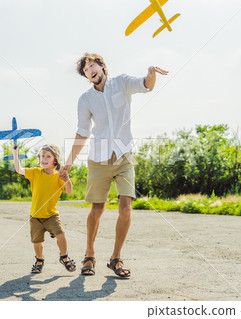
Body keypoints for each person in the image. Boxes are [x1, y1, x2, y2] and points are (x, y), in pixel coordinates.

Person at [61, 53, 168, 277]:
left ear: (101, 66)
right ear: (86, 76)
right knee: (97, 209)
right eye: (86, 69)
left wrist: (151, 73)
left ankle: (115, 258)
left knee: (126, 207)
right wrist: (68, 163)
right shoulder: (86, 100)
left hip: (124, 156)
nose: (90, 70)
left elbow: (145, 85)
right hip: (98, 159)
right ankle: (89, 255)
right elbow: (82, 132)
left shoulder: (121, 83)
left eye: (93, 65)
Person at [12, 143, 76, 273]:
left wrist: (67, 179)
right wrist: (15, 153)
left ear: (55, 161)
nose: (44, 159)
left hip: (51, 215)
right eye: (42, 156)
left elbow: (68, 191)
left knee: (61, 235)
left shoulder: (58, 176)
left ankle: (64, 256)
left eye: (48, 156)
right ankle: (39, 260)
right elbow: (19, 169)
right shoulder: (35, 172)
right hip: (35, 216)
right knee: (37, 242)